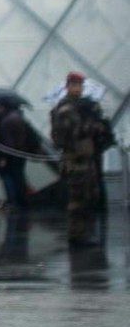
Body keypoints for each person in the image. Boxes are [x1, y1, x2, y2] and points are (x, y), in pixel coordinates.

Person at [49, 72, 108, 249]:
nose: (78, 89)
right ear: (68, 86)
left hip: (85, 158)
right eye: (75, 85)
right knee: (78, 199)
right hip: (75, 159)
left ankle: (84, 233)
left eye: (80, 85)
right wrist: (94, 123)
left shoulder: (79, 106)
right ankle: (77, 234)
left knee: (89, 196)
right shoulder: (66, 109)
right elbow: (75, 132)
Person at [0, 94, 36, 214]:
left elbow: (8, 142)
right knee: (19, 177)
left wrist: (3, 157)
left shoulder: (7, 120)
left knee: (14, 178)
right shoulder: (17, 117)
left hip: (13, 154)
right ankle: (20, 201)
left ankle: (16, 201)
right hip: (20, 152)